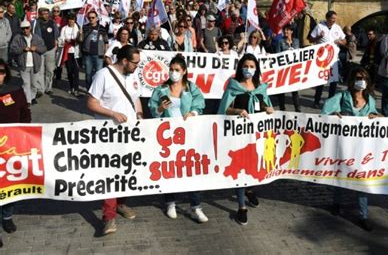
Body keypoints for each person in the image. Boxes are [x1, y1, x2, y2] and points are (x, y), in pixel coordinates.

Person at [87, 45, 143, 236]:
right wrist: (112, 113)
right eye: (135, 62)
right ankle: (108, 217)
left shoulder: (133, 75)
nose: (138, 66)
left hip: (131, 134)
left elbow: (135, 98)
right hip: (109, 134)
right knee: (111, 175)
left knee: (127, 171)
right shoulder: (103, 75)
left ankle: (121, 204)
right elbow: (91, 102)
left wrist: (140, 115)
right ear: (125, 61)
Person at [148, 55, 208, 223]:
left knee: (190, 169)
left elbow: (200, 104)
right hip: (167, 136)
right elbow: (153, 110)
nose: (174, 73)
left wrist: (193, 112)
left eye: (177, 70)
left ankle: (196, 206)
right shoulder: (161, 89)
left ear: (184, 71)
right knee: (169, 168)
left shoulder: (191, 88)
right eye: (172, 69)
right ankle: (170, 202)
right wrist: (160, 108)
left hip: (188, 135)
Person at [218, 53, 274, 225]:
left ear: (256, 69)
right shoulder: (234, 86)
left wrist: (268, 108)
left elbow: (265, 104)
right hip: (239, 136)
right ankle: (241, 206)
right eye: (246, 66)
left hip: (257, 136)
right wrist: (237, 111)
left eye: (252, 66)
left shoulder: (260, 87)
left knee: (255, 167)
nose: (248, 69)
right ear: (241, 67)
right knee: (240, 170)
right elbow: (224, 109)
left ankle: (250, 189)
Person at [321, 67, 379, 232]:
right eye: (359, 78)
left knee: (361, 181)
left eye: (365, 78)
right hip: (345, 146)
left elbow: (375, 116)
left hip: (363, 148)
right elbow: (324, 111)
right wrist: (334, 116)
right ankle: (336, 204)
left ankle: (363, 215)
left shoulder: (370, 100)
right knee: (341, 176)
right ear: (352, 80)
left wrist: (377, 117)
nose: (362, 81)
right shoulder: (342, 97)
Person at [0, 59, 31, 244]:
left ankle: (7, 216)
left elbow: (25, 115)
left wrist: (26, 135)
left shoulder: (15, 91)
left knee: (10, 185)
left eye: (2, 71)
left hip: (11, 146)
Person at [310, 11, 346, 109]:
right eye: (333, 18)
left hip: (334, 59)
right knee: (321, 81)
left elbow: (344, 40)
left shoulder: (337, 28)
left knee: (333, 82)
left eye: (335, 18)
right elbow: (310, 39)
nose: (334, 20)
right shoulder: (319, 27)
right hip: (322, 59)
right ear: (327, 18)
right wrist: (319, 36)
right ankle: (316, 101)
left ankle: (330, 103)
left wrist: (340, 41)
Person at [9, 20, 46, 105]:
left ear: (30, 28)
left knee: (34, 84)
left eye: (27, 28)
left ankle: (32, 97)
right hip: (23, 65)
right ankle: (28, 100)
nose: (25, 30)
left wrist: (36, 48)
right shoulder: (18, 38)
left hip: (35, 65)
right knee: (26, 83)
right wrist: (22, 49)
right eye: (23, 28)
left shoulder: (37, 38)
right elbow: (12, 49)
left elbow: (44, 48)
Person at [32, 7, 59, 95]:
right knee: (40, 69)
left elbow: (56, 34)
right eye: (44, 14)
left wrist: (56, 42)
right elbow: (31, 34)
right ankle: (40, 88)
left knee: (50, 70)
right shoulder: (35, 23)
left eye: (47, 13)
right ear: (39, 14)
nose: (46, 15)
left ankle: (48, 87)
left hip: (50, 49)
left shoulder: (52, 22)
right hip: (39, 50)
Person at [79, 11, 109, 89]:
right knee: (88, 74)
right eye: (89, 18)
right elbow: (80, 40)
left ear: (96, 18)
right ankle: (89, 89)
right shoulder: (85, 27)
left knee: (98, 74)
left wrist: (105, 53)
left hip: (99, 54)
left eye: (93, 17)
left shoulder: (102, 28)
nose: (91, 19)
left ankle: (96, 90)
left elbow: (106, 41)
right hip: (88, 54)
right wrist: (80, 34)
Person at [276, 24, 301, 112]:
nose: (285, 31)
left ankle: (297, 109)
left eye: (287, 30)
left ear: (292, 31)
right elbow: (277, 55)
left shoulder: (297, 41)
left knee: (294, 90)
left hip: (293, 69)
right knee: (282, 90)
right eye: (284, 30)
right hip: (283, 69)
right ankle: (282, 109)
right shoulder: (280, 41)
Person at [58, 13, 81, 96]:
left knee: (76, 71)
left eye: (73, 19)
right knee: (69, 71)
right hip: (67, 53)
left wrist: (78, 36)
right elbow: (60, 39)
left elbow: (79, 39)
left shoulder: (78, 28)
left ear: (75, 20)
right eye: (70, 19)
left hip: (75, 53)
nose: (71, 21)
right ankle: (71, 87)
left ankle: (76, 89)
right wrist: (65, 40)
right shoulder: (64, 28)